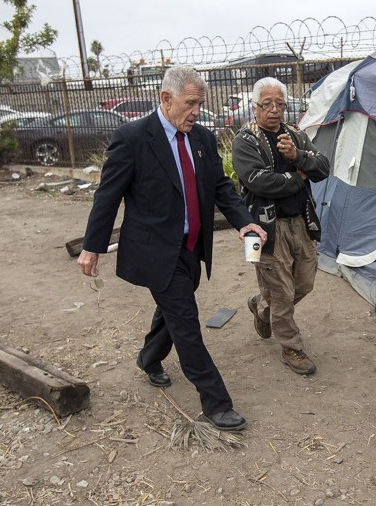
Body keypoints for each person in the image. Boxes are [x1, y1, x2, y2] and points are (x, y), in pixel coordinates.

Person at [78, 65, 266, 431]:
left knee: (173, 308)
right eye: (191, 103)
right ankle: (216, 402)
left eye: (201, 103)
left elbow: (220, 187)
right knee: (186, 322)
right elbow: (108, 195)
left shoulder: (202, 139)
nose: (197, 111)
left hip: (192, 247)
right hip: (155, 250)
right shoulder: (133, 138)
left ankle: (149, 358)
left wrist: (244, 220)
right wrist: (92, 246)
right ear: (166, 98)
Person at [231, 77, 330, 375]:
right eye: (267, 104)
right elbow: (260, 183)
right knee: (282, 291)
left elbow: (323, 166)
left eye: (279, 104)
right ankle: (291, 346)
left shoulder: (295, 136)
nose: (274, 110)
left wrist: (297, 157)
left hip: (300, 221)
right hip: (259, 228)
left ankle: (261, 307)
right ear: (255, 106)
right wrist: (299, 176)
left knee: (305, 281)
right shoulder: (244, 140)